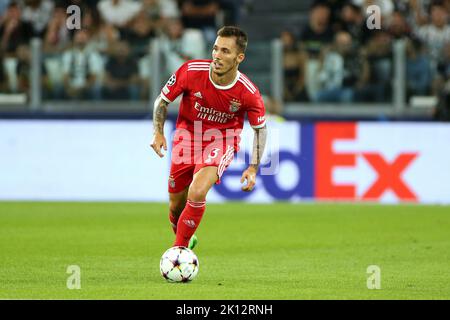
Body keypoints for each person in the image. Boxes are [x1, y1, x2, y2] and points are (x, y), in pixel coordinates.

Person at [150, 26, 267, 249]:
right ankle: (184, 236)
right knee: (176, 206)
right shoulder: (191, 71)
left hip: (221, 141)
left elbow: (260, 129)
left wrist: (253, 167)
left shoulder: (248, 93)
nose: (217, 56)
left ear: (239, 57)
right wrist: (158, 131)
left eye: (225, 51)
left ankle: (179, 251)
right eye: (215, 49)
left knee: (197, 190)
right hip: (186, 139)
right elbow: (162, 101)